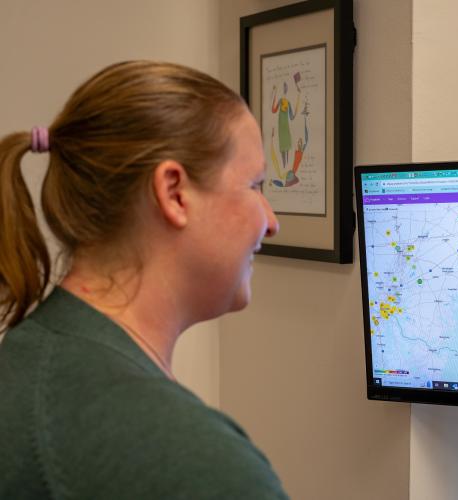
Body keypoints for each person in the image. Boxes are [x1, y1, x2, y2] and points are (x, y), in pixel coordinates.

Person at [0, 61, 287, 499]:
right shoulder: (194, 463)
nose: (270, 222)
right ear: (174, 193)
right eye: (255, 186)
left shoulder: (31, 357)